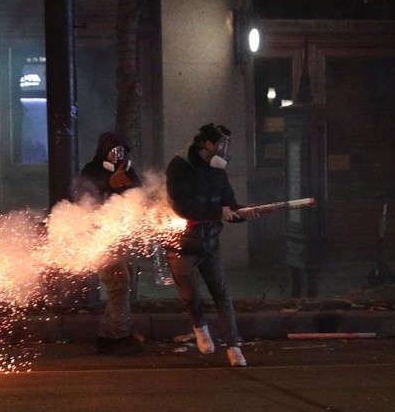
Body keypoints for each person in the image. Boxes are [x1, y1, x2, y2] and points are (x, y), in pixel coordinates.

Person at [164, 123, 258, 367]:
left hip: (210, 242)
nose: (226, 149)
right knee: (191, 296)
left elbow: (229, 205)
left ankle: (234, 348)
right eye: (221, 144)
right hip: (183, 245)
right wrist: (218, 211)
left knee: (222, 296)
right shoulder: (179, 166)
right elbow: (182, 207)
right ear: (206, 144)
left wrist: (243, 213)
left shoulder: (219, 171)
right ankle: (200, 326)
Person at [76, 131, 143, 355]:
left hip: (119, 237)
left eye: (122, 151)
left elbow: (140, 196)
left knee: (118, 288)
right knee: (120, 285)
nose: (118, 156)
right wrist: (109, 183)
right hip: (99, 238)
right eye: (115, 151)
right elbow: (84, 198)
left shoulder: (129, 172)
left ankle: (106, 337)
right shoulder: (91, 170)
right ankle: (121, 336)